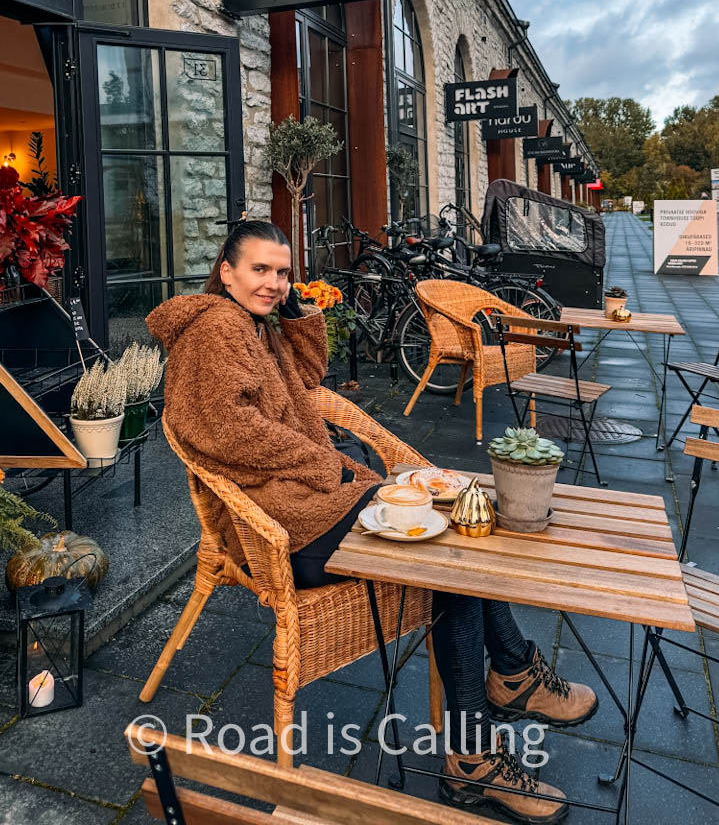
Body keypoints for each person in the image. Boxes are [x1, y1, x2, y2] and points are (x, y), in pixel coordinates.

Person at [148, 220, 597, 823]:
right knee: (450, 558)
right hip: (283, 525)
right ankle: (481, 739)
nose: (273, 282)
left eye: (282, 272)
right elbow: (226, 430)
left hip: (311, 499)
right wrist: (323, 466)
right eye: (260, 270)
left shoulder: (252, 324)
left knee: (455, 539)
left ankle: (508, 682)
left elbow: (306, 380)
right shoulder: (215, 331)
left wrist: (298, 310)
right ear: (225, 271)